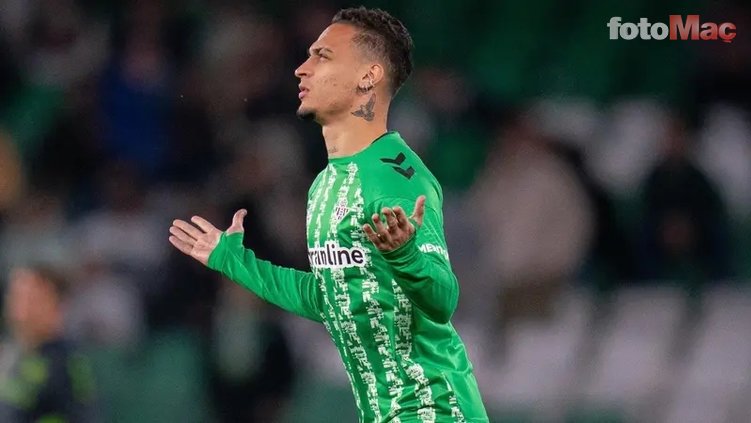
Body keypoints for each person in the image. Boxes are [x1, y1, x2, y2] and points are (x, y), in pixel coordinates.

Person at [168, 6, 488, 423]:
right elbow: (329, 297)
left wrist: (406, 255)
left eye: (323, 57)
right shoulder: (325, 184)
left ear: (368, 77)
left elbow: (442, 300)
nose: (302, 69)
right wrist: (233, 261)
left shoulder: (395, 178)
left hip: (434, 410)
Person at [0, 265, 98, 422]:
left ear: (58, 306)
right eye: (16, 296)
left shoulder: (67, 363)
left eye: (32, 298)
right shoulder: (9, 353)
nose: (22, 307)